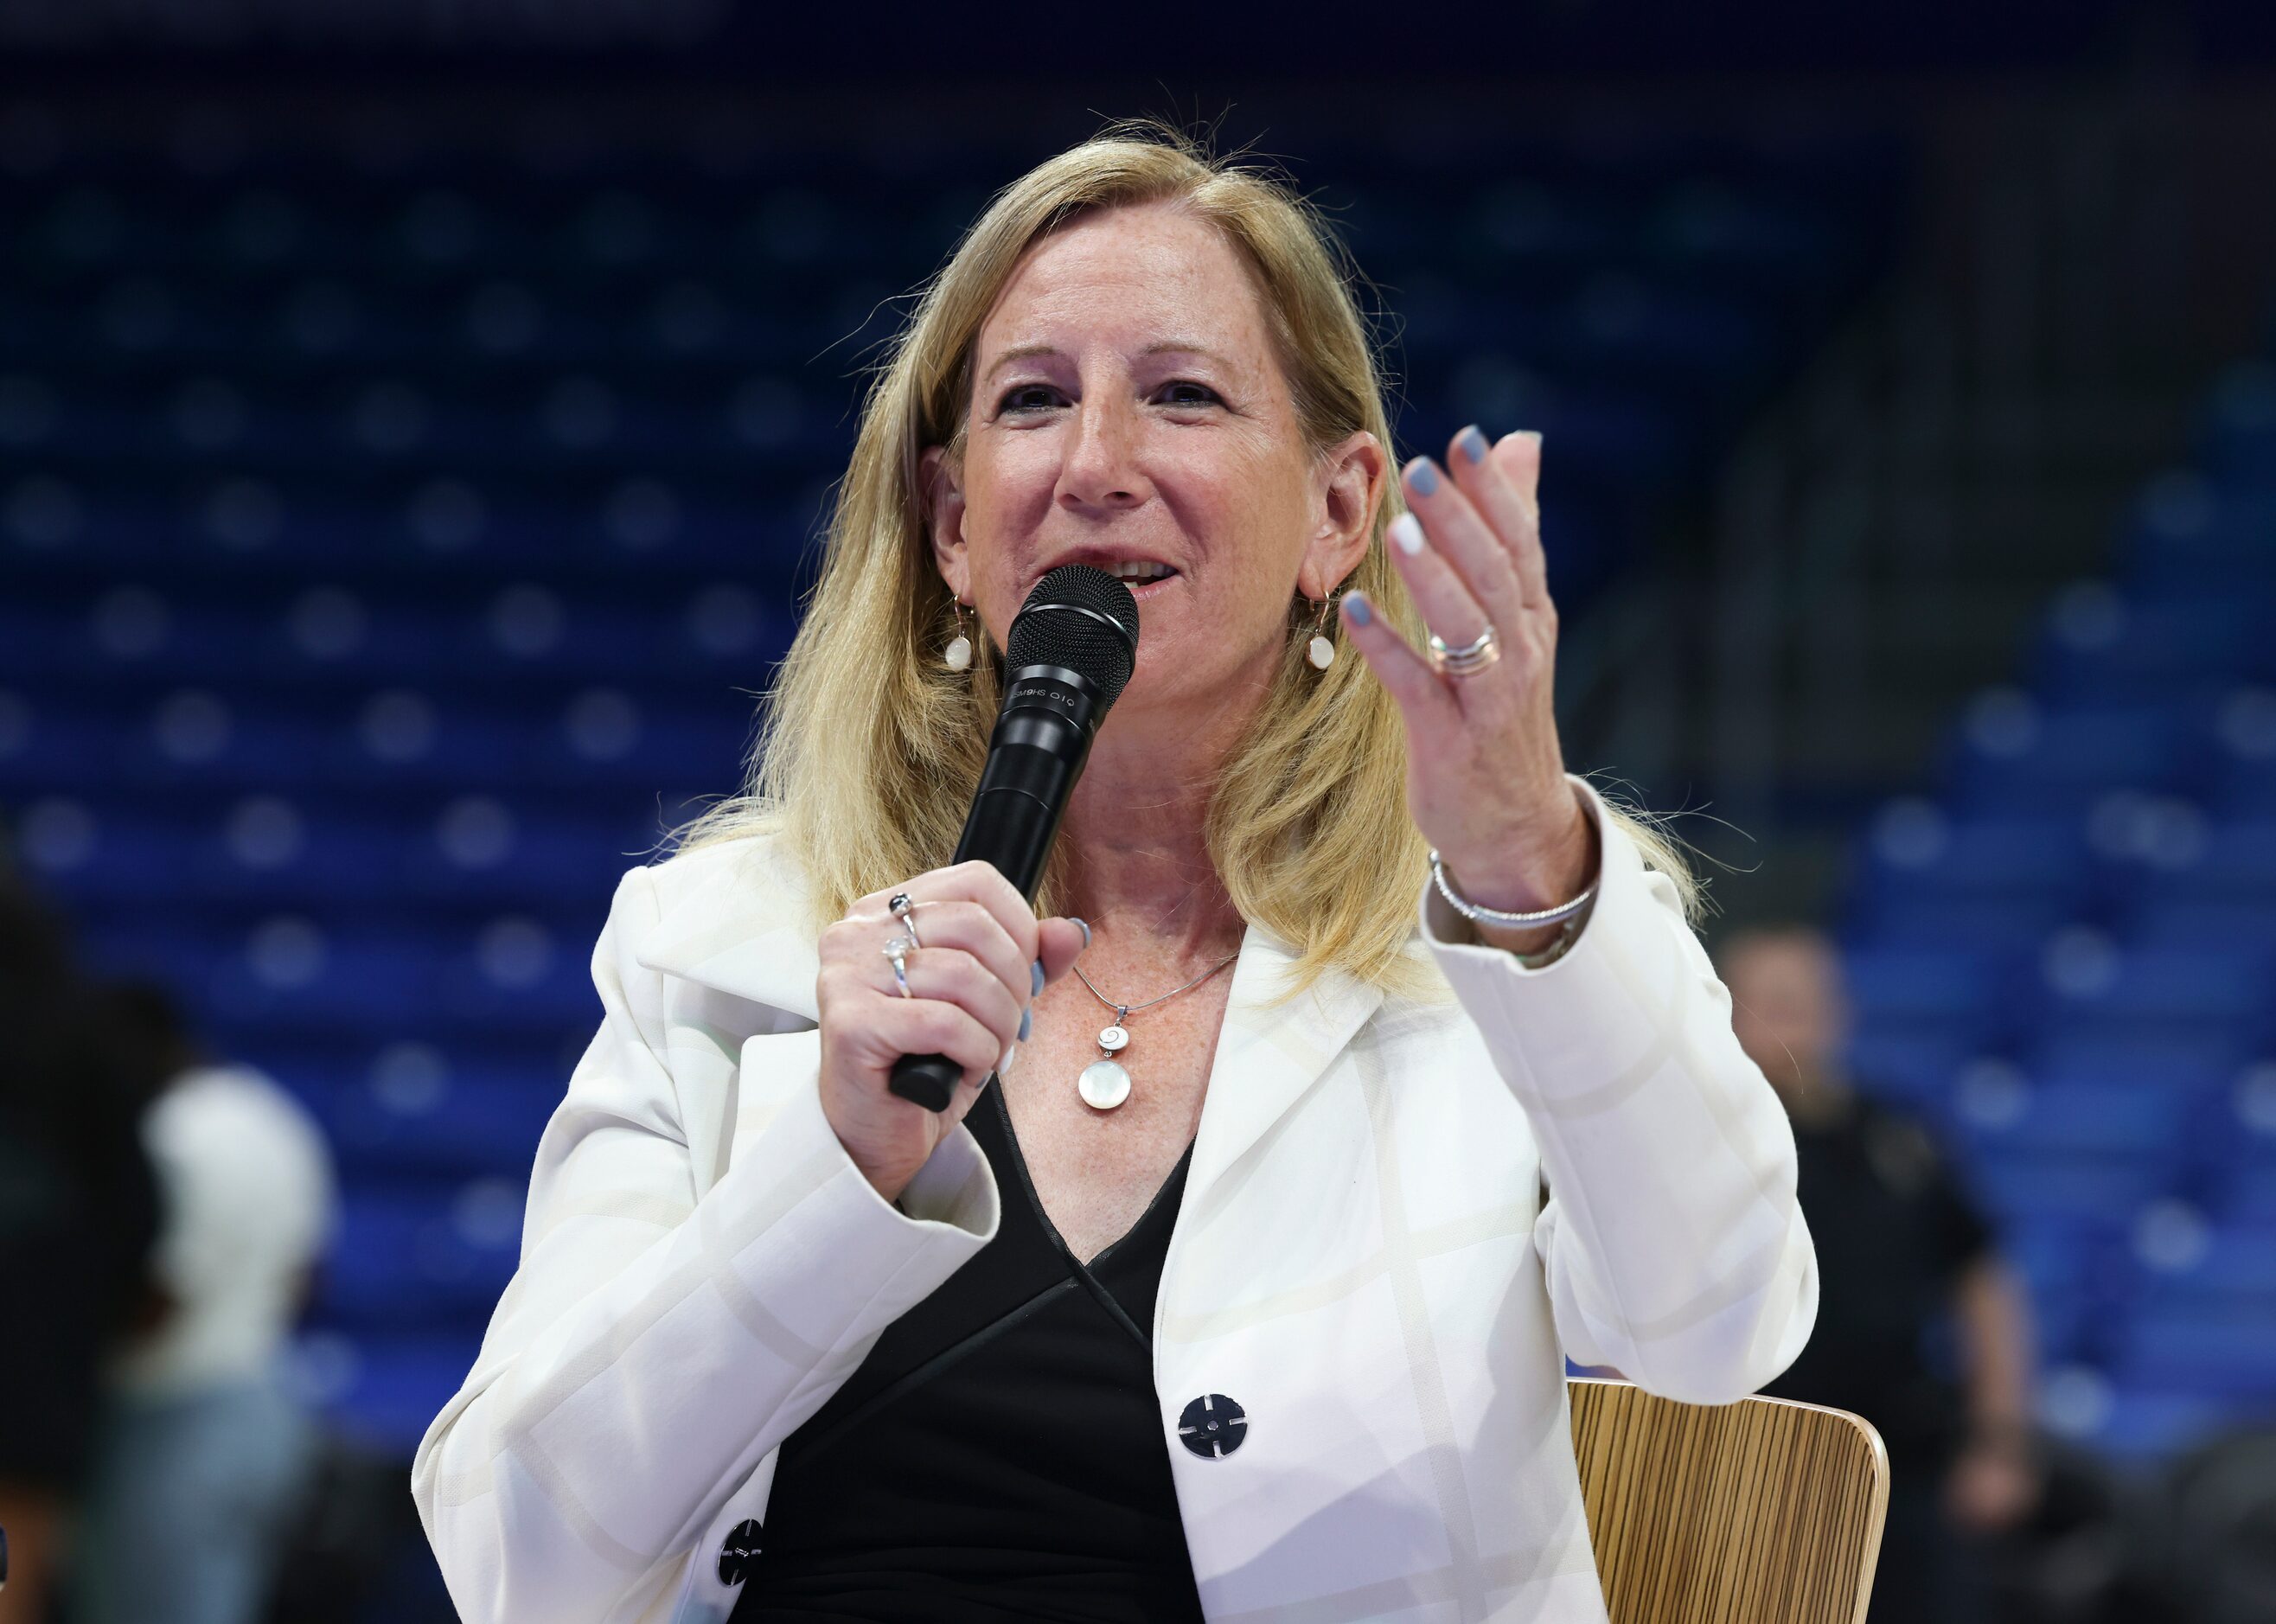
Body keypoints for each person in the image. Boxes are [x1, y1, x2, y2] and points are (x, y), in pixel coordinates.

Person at [414, 125, 1819, 1624]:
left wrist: (1526, 855)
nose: (1095, 465)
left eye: (1181, 395)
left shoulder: (1510, 938)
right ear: (954, 522)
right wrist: (833, 1165)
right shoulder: (720, 946)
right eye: (1032, 401)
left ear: (1339, 513)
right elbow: (522, 1564)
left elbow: (1713, 1326)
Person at [1716, 924, 2039, 1624]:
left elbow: (1983, 1285)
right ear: (1726, 1013)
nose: (1796, 1015)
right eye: (1772, 1000)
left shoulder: (1903, 1141)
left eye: (1809, 997)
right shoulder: (1704, 1148)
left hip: (1904, 1461)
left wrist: (2000, 1441)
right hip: (1753, 1465)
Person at [67, 983, 336, 1624]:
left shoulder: (172, 1136)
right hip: (271, 1405)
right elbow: (307, 1278)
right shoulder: (271, 1113)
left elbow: (163, 1298)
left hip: (177, 1419)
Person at [0, 886, 160, 1624]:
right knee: (23, 1533)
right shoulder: (82, 1030)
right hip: (42, 1332)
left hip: (42, 1318)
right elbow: (136, 1206)